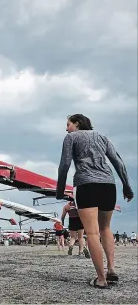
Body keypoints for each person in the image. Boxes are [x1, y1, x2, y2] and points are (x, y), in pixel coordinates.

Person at [56, 114, 134, 288]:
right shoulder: (102, 137)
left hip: (86, 185)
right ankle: (112, 269)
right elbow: (118, 162)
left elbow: (64, 164)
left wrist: (60, 190)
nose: (66, 128)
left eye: (68, 124)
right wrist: (127, 186)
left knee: (91, 232)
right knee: (106, 228)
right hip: (108, 184)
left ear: (77, 124)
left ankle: (101, 279)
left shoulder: (71, 137)